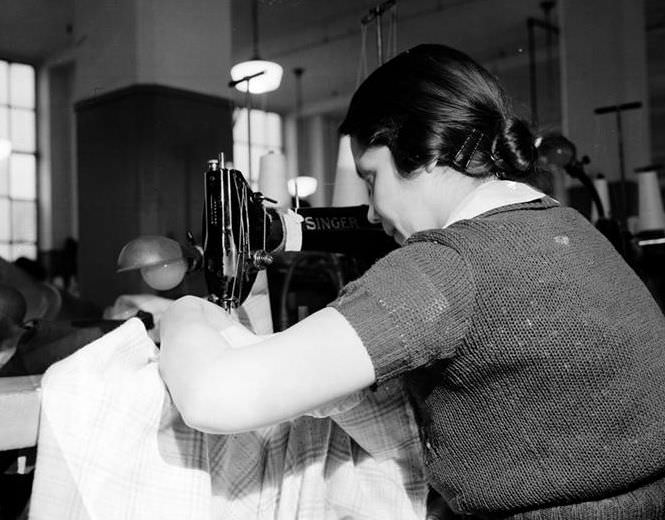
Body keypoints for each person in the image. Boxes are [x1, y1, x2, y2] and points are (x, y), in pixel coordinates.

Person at [159, 44, 665, 518]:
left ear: (420, 149)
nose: (373, 213)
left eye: (371, 178)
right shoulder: (570, 226)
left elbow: (213, 396)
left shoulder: (449, 265)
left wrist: (184, 312)